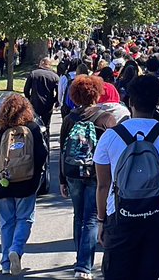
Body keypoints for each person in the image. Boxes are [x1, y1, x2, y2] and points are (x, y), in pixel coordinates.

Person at [94, 74, 159, 280]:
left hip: (119, 215)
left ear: (129, 101)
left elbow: (103, 185)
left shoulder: (110, 136)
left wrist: (101, 221)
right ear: (158, 102)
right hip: (158, 215)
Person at [58, 75, 122, 279]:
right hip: (97, 174)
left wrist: (62, 179)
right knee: (92, 218)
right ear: (97, 93)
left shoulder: (69, 119)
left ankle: (80, 258)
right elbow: (114, 150)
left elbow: (61, 150)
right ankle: (84, 267)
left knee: (79, 216)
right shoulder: (106, 119)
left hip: (73, 173)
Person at [0, 94, 49, 276]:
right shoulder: (33, 128)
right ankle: (16, 249)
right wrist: (37, 177)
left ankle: (5, 263)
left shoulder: (0, 131)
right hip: (26, 184)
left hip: (2, 183)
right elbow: (42, 154)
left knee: (6, 223)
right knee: (24, 219)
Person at [26, 58, 60, 133]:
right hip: (48, 104)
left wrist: (29, 99)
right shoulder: (54, 76)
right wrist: (55, 100)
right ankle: (46, 142)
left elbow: (26, 89)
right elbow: (59, 91)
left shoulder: (33, 74)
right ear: (49, 65)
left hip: (34, 103)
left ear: (41, 64)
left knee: (33, 125)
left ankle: (35, 142)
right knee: (46, 126)